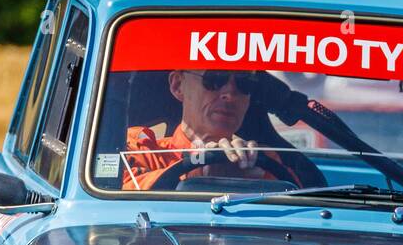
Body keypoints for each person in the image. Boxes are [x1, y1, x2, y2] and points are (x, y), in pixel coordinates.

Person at [121, 69, 288, 191]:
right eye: (215, 78)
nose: (230, 94)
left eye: (245, 83)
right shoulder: (142, 149)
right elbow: (116, 202)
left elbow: (292, 219)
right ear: (178, 85)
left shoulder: (262, 161)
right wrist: (200, 175)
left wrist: (248, 182)